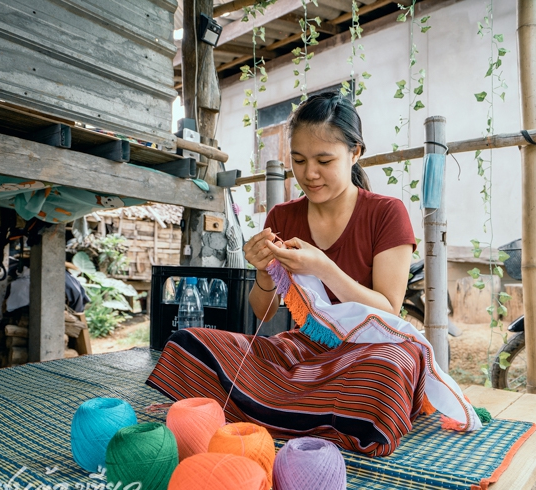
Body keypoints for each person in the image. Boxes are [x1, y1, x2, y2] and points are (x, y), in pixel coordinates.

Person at [147, 91, 424, 457]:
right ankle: (306, 414)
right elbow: (263, 313)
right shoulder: (283, 216)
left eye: (324, 160)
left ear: (355, 153)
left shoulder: (387, 213)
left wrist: (323, 267)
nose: (309, 173)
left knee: (389, 368)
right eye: (298, 160)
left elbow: (388, 310)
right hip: (304, 351)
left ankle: (274, 408)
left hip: (367, 350)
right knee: (187, 344)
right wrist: (263, 271)